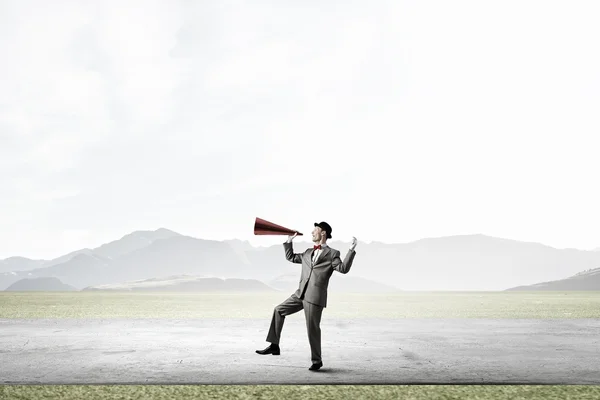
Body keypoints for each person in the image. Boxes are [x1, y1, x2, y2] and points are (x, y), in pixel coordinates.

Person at [255, 221, 358, 371]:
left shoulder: (333, 254)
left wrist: (351, 250)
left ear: (323, 233)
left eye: (314, 230)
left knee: (312, 328)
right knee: (278, 310)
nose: (311, 233)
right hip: (300, 294)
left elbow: (343, 269)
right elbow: (290, 257)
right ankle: (274, 345)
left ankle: (317, 361)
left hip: (315, 297)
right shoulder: (308, 252)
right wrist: (289, 241)